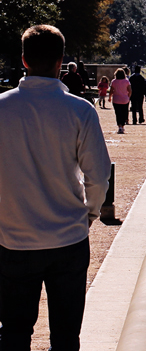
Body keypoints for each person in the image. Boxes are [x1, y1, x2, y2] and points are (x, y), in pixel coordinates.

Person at [0, 25, 111, 351]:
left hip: (14, 238)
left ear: (24, 60)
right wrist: (89, 213)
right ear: (62, 61)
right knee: (65, 336)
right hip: (68, 237)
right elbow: (98, 175)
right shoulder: (80, 111)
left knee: (15, 332)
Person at [109, 68, 131, 134]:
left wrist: (110, 97)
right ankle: (123, 124)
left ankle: (120, 126)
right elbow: (130, 90)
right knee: (124, 112)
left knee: (118, 113)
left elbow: (111, 91)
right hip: (125, 99)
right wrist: (128, 96)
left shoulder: (114, 81)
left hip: (116, 99)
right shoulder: (126, 81)